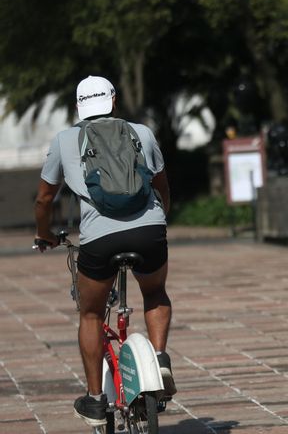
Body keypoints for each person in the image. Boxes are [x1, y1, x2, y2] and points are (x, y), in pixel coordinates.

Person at [33, 75, 175, 429]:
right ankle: (158, 359)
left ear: (79, 107)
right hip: (149, 231)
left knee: (92, 314)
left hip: (100, 240)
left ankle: (96, 399)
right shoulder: (142, 132)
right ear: (113, 101)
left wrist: (44, 234)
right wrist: (159, 222)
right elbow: (161, 185)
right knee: (155, 291)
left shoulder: (65, 140)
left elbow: (44, 198)